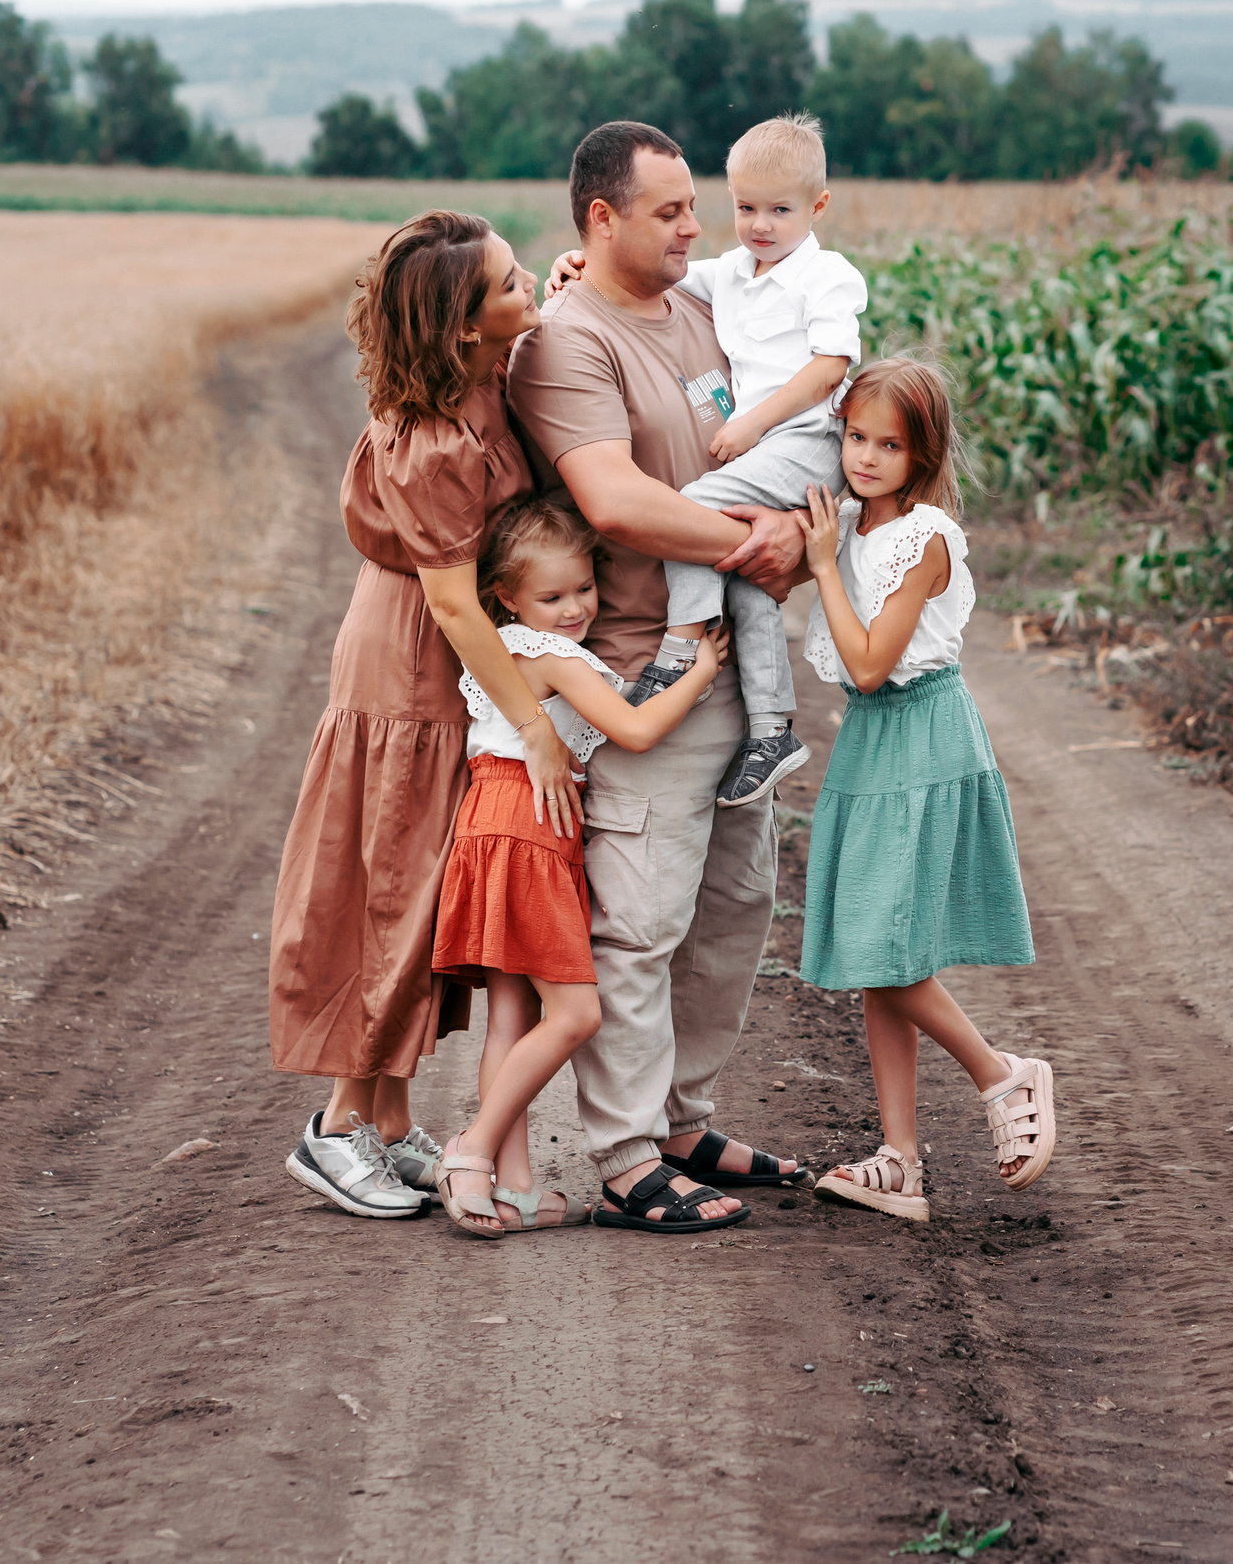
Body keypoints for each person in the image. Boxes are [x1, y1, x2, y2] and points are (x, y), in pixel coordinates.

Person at [508, 119, 809, 1232]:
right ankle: (628, 1157)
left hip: (734, 666)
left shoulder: (700, 309)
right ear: (599, 221)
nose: (698, 227)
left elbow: (794, 400)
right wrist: (752, 542)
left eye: (695, 207)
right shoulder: (566, 340)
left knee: (734, 907)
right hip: (643, 672)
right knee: (637, 922)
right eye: (670, 210)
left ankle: (687, 1120)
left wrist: (790, 525)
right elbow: (614, 501)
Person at [266, 211, 583, 1220]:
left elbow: (550, 331)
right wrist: (534, 722)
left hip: (453, 664)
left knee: (428, 894)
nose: (524, 278)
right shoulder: (433, 439)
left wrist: (560, 291)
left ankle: (388, 1127)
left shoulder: (486, 373)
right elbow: (451, 599)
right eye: (505, 281)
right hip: (411, 665)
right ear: (459, 329)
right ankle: (332, 1127)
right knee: (394, 894)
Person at [428, 497, 732, 1237]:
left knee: (512, 1014)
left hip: (493, 821)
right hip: (531, 831)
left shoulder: (505, 649)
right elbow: (631, 729)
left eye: (583, 589)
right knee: (576, 1013)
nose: (574, 609)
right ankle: (470, 1149)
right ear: (506, 596)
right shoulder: (558, 658)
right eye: (552, 595)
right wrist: (701, 670)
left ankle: (520, 1186)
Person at [795, 359, 1054, 1224]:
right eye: (855, 436)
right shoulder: (855, 528)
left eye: (889, 444)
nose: (865, 457)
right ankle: (899, 1159)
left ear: (923, 452)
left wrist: (823, 568)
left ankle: (1001, 1073)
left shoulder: (922, 534)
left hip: (921, 735)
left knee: (882, 948)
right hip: (873, 745)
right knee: (879, 955)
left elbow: (869, 666)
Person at [548, 113, 866, 808]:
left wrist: (756, 435)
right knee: (747, 583)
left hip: (804, 442)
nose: (749, 224)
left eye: (777, 210)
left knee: (694, 505)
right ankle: (772, 724)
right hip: (658, 675)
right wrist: (570, 266)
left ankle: (687, 648)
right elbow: (614, 501)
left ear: (816, 208)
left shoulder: (824, 278)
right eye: (743, 207)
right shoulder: (728, 279)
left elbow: (833, 369)